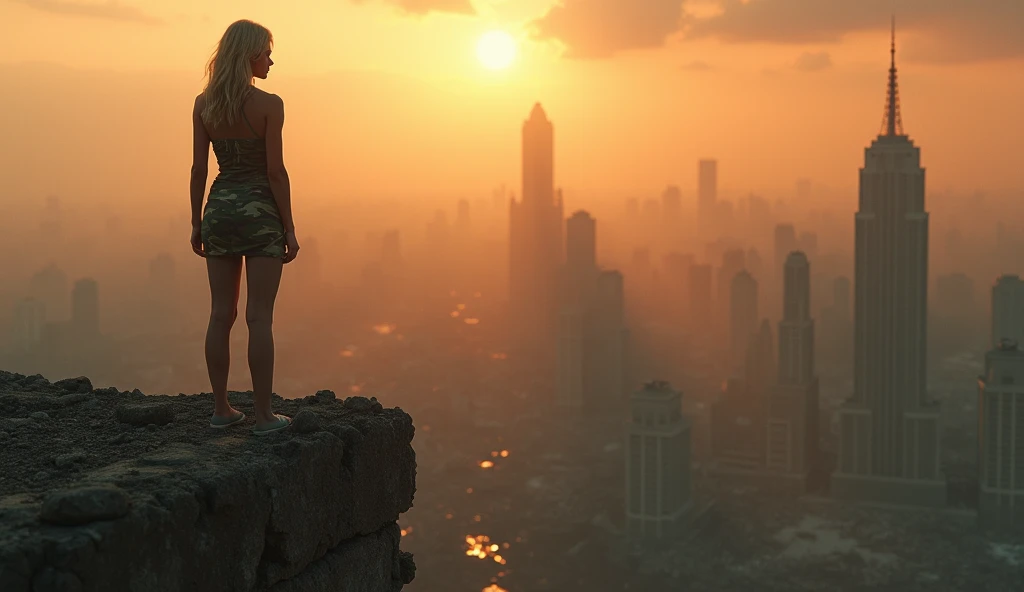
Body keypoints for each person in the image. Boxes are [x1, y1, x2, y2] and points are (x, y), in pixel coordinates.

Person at [189, 19, 298, 435]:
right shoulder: (270, 104)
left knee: (220, 314)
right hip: (261, 215)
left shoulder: (204, 104)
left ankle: (221, 410)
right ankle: (265, 415)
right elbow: (275, 172)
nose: (271, 60)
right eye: (266, 52)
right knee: (260, 318)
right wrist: (288, 227)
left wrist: (197, 221)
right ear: (250, 55)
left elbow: (200, 168)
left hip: (218, 210)